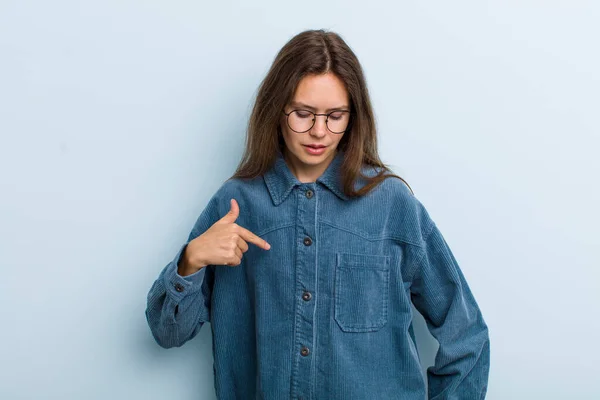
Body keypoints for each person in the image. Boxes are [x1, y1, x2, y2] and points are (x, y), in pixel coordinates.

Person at [145, 29, 490, 399]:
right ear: (277, 111)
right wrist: (191, 261)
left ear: (353, 117)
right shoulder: (235, 205)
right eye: (303, 114)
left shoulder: (391, 204)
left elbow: (466, 334)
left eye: (335, 116)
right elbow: (169, 334)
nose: (319, 132)